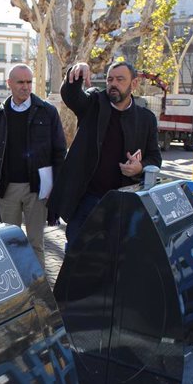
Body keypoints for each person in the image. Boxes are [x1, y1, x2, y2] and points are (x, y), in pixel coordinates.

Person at [49, 61, 162, 248]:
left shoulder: (146, 119)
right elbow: (70, 95)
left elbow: (155, 158)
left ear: (134, 84)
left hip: (124, 203)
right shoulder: (93, 103)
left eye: (120, 79)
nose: (113, 84)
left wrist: (139, 167)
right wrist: (77, 72)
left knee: (115, 258)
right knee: (77, 255)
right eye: (110, 79)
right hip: (87, 200)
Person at [0, 64, 66, 267]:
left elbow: (59, 151)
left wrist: (55, 186)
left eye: (29, 81)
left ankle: (38, 291)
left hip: (37, 189)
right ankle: (14, 289)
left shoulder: (47, 112)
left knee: (35, 243)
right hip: (8, 188)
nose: (25, 86)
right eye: (20, 82)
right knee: (9, 243)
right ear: (9, 84)